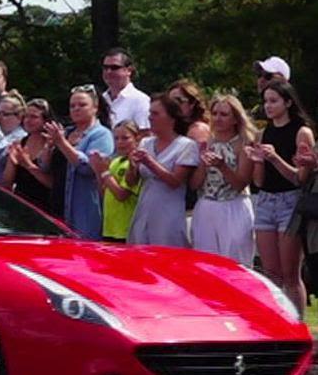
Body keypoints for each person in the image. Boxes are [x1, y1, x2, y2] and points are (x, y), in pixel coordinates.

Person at [250, 80, 315, 312]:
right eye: (266, 101)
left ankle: (297, 323)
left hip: (290, 200)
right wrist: (257, 161)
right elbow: (258, 181)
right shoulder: (262, 133)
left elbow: (299, 178)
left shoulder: (301, 132)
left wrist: (275, 158)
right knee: (271, 273)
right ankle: (277, 322)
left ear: (288, 102)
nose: (268, 106)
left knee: (290, 274)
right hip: (266, 200)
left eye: (274, 101)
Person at [125, 94, 200, 248]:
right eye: (149, 113)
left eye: (155, 114)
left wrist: (150, 162)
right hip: (144, 209)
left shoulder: (186, 146)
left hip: (169, 213)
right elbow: (131, 182)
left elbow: (175, 182)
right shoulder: (145, 143)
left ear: (171, 118)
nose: (150, 118)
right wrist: (132, 165)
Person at [188, 95, 256, 264]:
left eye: (224, 114)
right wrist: (203, 164)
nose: (218, 118)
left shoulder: (244, 144)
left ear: (235, 119)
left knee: (236, 261)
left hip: (234, 205)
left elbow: (240, 184)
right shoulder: (207, 141)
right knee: (206, 263)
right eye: (215, 113)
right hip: (207, 205)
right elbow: (194, 184)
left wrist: (222, 166)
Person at [47, 85, 114, 238]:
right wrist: (49, 147)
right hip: (58, 205)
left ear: (95, 107)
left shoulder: (101, 134)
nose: (76, 109)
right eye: (72, 106)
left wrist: (62, 143)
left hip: (83, 210)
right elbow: (47, 166)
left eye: (82, 105)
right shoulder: (67, 132)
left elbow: (88, 168)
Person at [90, 121, 143, 242]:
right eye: (116, 138)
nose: (120, 143)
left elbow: (122, 194)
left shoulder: (134, 163)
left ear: (137, 138)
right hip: (110, 227)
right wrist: (98, 171)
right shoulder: (115, 161)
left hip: (125, 228)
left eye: (125, 138)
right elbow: (104, 192)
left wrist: (104, 172)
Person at [4, 98, 55, 213]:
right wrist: (12, 161)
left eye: (34, 117)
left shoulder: (52, 144)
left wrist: (28, 165)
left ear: (46, 120)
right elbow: (7, 183)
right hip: (21, 205)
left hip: (45, 207)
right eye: (26, 116)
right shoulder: (20, 143)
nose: (28, 120)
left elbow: (53, 184)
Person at [100, 48, 150, 128]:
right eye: (105, 67)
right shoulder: (100, 100)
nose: (108, 71)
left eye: (114, 67)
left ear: (129, 70)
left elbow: (144, 135)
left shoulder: (140, 101)